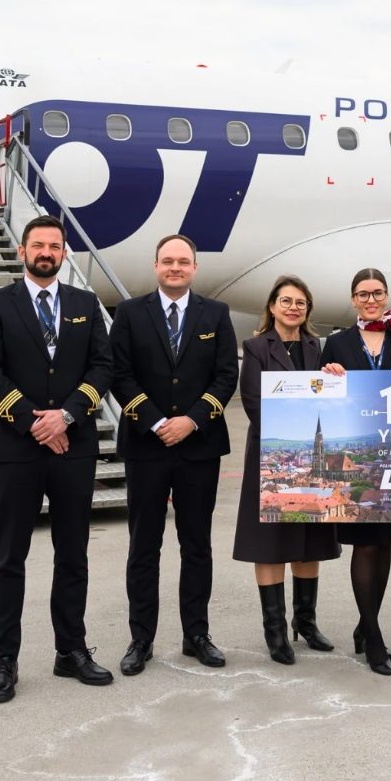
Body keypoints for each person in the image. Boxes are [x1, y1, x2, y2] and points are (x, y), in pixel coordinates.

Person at [0, 215, 114, 702]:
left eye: (55, 245)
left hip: (73, 447)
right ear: (23, 251)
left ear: (64, 252)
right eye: (38, 245)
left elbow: (102, 367)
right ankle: (4, 661)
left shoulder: (85, 304)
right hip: (16, 450)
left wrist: (68, 416)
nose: (46, 252)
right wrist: (35, 421)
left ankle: (70, 650)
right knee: (10, 557)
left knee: (73, 554)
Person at [109, 233, 239, 676]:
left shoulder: (216, 314)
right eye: (168, 261)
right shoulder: (128, 314)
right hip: (147, 446)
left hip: (199, 448)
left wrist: (193, 420)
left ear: (195, 268)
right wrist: (155, 420)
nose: (175, 268)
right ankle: (140, 638)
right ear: (156, 266)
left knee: (196, 545)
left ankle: (196, 634)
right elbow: (119, 375)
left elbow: (226, 376)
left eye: (183, 261)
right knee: (143, 547)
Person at [231, 275, 340, 663]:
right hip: (273, 457)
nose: (293, 308)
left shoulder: (317, 347)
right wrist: (291, 430)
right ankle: (275, 632)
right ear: (272, 306)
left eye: (301, 303)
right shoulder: (256, 346)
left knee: (307, 543)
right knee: (271, 545)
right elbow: (253, 402)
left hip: (308, 459)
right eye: (286, 301)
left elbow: (327, 398)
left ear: (307, 309)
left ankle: (306, 623)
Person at [321, 267, 391, 676]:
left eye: (377, 293)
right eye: (362, 294)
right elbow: (321, 394)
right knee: (365, 546)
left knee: (385, 546)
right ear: (353, 299)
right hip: (359, 452)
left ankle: (365, 626)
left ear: (386, 296)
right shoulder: (337, 343)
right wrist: (327, 375)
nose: (370, 300)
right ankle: (374, 638)